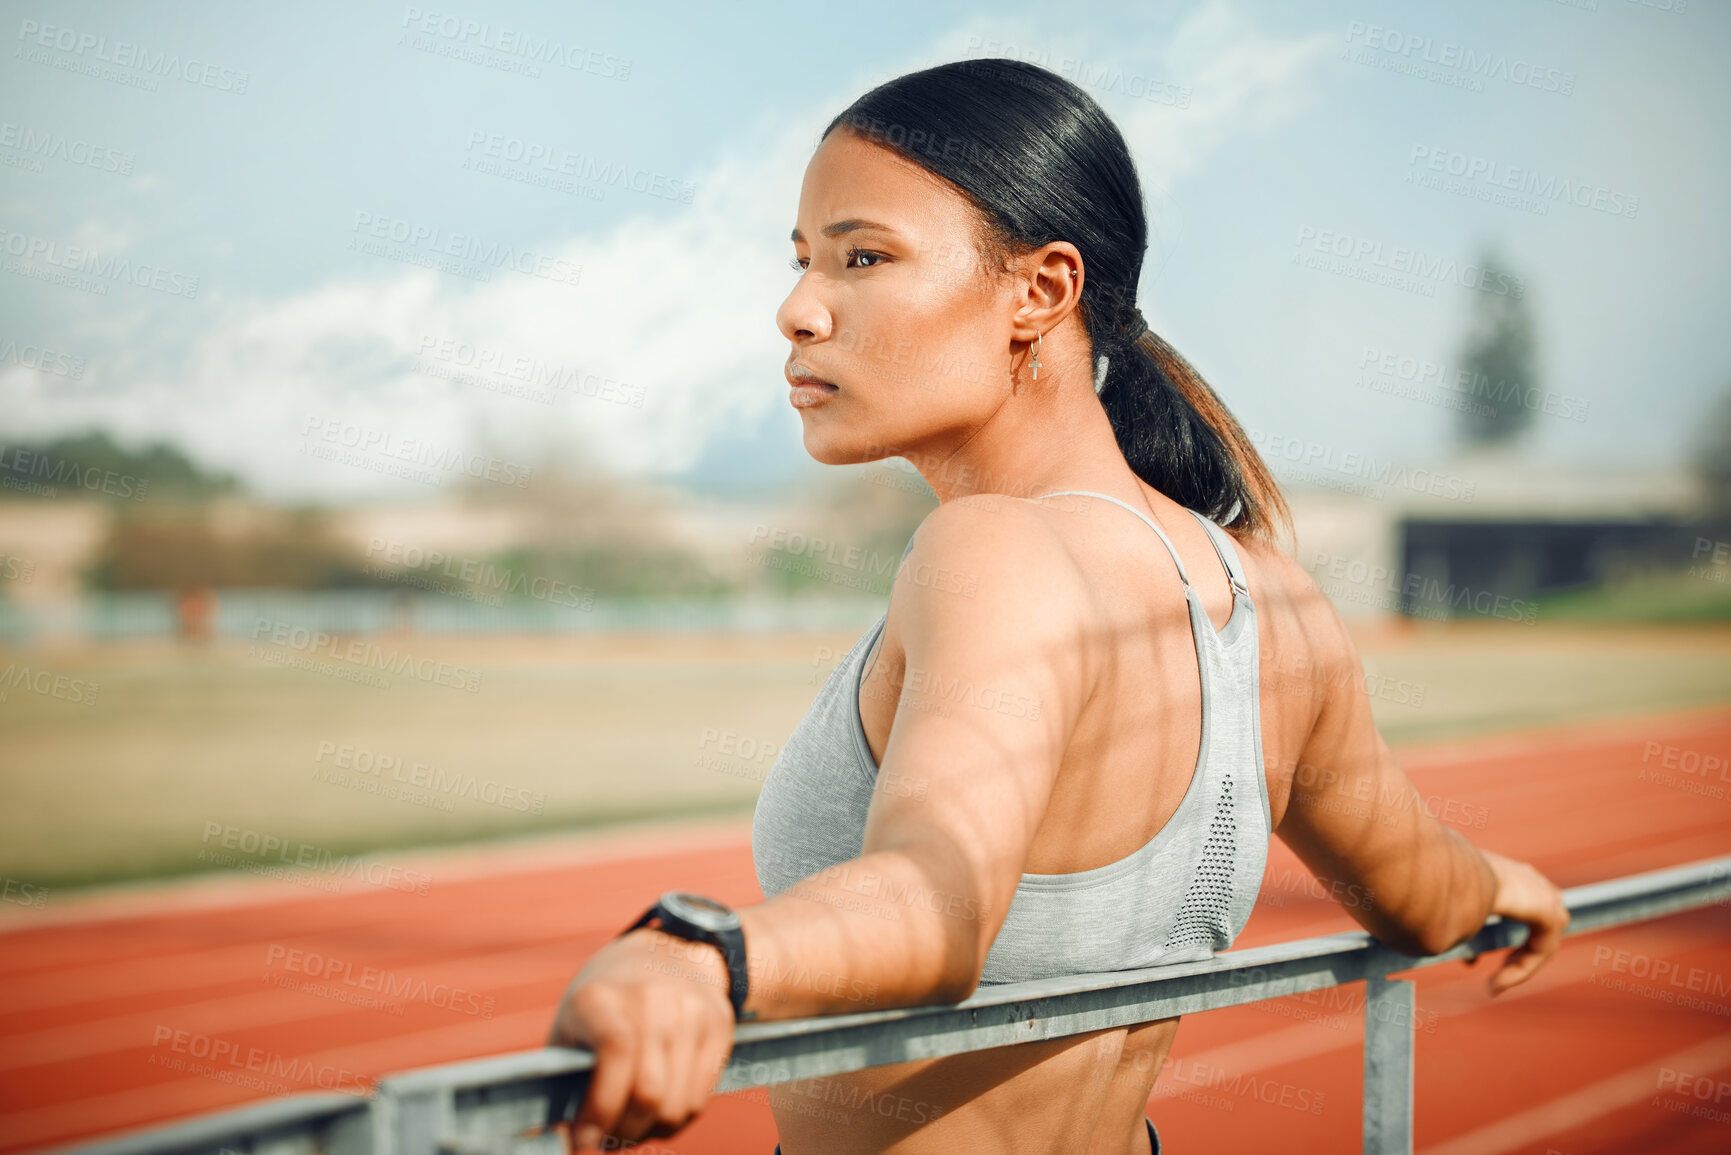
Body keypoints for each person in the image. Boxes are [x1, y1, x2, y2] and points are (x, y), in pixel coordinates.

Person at [548, 58, 1568, 1154]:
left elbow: (938, 903)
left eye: (863, 257)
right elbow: (1422, 897)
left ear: (1040, 291)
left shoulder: (992, 549)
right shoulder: (1271, 596)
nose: (797, 310)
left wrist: (697, 954)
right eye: (803, 263)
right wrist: (1497, 883)